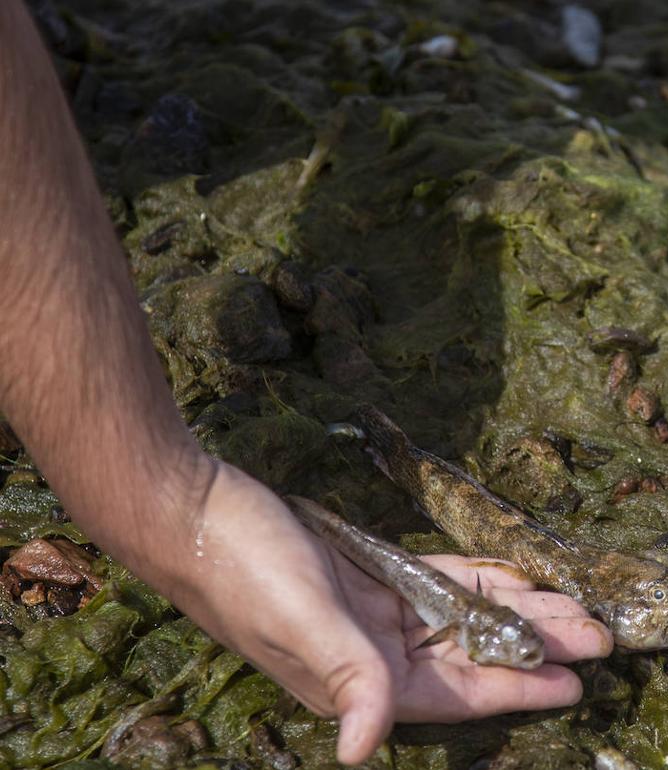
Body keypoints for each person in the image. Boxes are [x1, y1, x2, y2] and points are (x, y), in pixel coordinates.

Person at [0, 5, 612, 765]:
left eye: (511, 643)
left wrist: (178, 502)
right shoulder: (454, 623)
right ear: (472, 631)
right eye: (514, 642)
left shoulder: (465, 619)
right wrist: (167, 507)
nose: (519, 647)